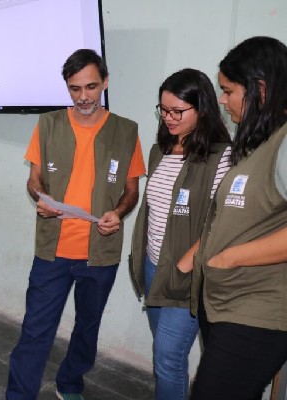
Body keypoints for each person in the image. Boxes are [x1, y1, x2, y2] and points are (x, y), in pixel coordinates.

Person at [5, 49, 146, 400]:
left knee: (87, 328)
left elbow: (131, 189)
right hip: (53, 251)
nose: (83, 97)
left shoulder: (126, 131)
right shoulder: (48, 124)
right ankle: (19, 395)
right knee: (35, 330)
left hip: (100, 254)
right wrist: (40, 198)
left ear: (105, 82)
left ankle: (70, 384)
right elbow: (34, 179)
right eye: (75, 88)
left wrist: (119, 213)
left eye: (91, 87)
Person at [189, 36, 287, 400]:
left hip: (256, 310)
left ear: (259, 89)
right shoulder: (262, 142)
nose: (222, 100)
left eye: (228, 91)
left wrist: (228, 258)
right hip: (228, 301)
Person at [128, 68, 232, 400]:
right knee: (165, 355)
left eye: (178, 111)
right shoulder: (160, 151)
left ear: (202, 109)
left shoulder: (221, 157)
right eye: (163, 110)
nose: (168, 118)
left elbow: (223, 222)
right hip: (153, 266)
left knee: (168, 359)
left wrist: (187, 263)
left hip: (187, 273)